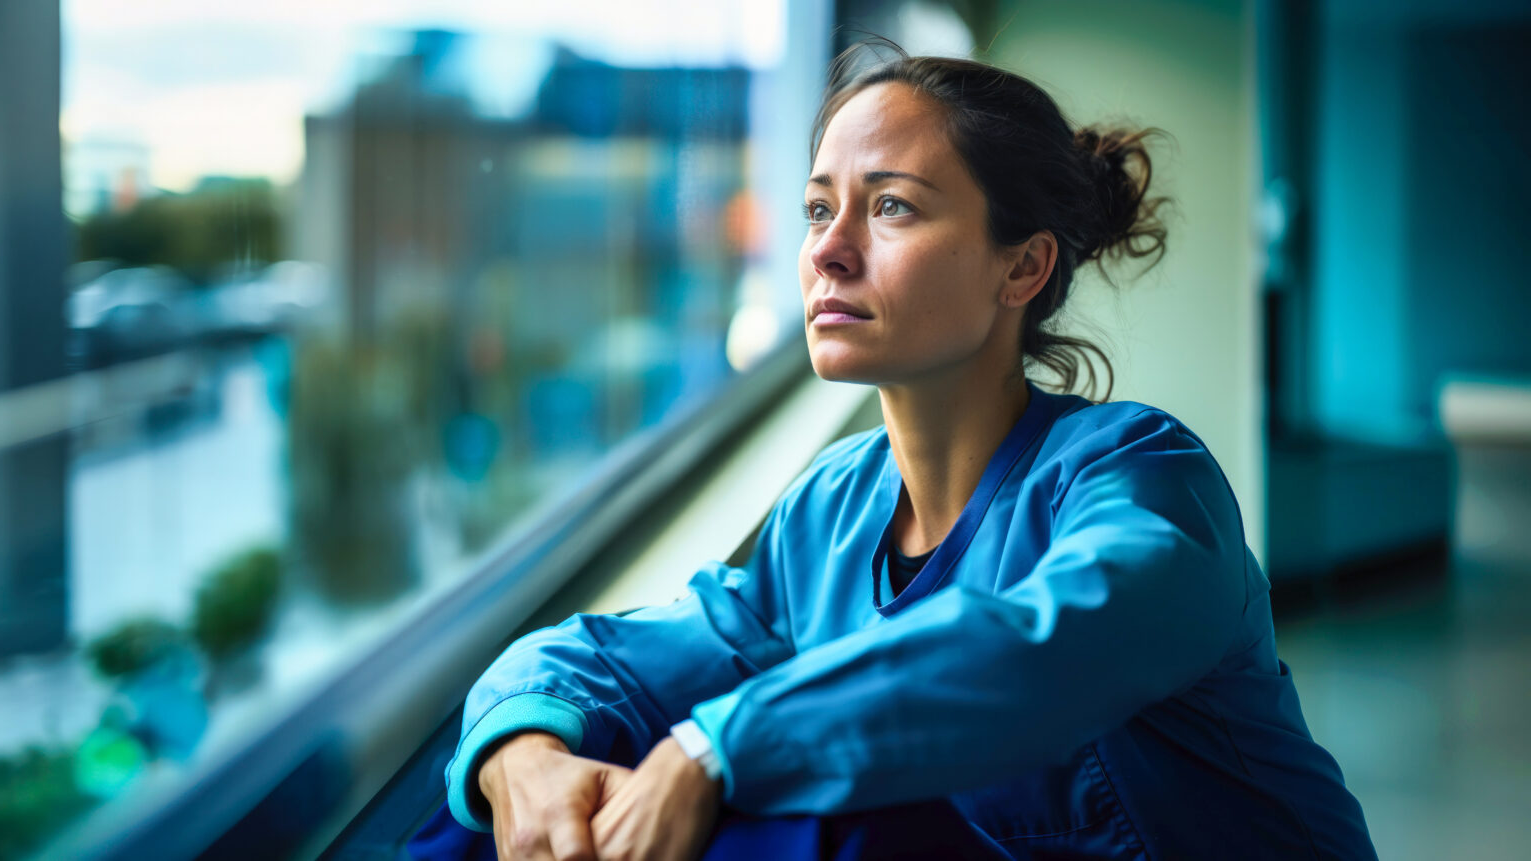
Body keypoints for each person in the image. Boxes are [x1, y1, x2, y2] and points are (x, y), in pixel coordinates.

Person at [438, 42, 1378, 860]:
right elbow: (617, 654)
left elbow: (1038, 658)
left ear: (1025, 265)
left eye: (889, 208)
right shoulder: (831, 510)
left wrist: (717, 748)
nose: (828, 253)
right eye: (817, 210)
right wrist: (522, 751)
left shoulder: (1144, 475)